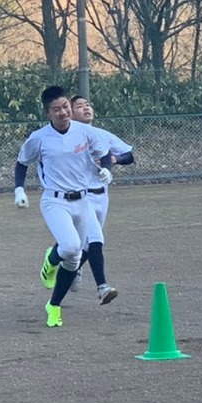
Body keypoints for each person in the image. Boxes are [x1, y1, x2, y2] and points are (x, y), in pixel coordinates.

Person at [13, 86, 115, 327]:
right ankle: (51, 259)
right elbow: (21, 163)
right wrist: (19, 190)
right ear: (47, 112)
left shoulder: (84, 131)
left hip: (83, 201)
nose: (63, 113)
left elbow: (105, 153)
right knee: (70, 247)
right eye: (56, 109)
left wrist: (107, 170)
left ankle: (54, 305)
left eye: (66, 107)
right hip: (55, 201)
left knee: (73, 260)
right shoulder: (39, 138)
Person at [39, 95, 135, 304]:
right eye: (79, 106)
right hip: (82, 196)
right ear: (70, 113)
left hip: (102, 196)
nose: (86, 108)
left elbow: (129, 155)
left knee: (84, 247)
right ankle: (102, 287)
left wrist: (114, 159)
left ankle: (66, 269)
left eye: (88, 105)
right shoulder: (65, 138)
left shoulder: (101, 135)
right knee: (96, 239)